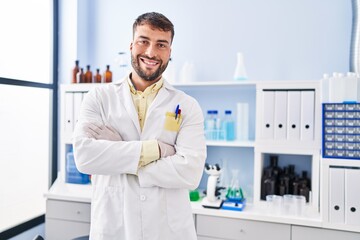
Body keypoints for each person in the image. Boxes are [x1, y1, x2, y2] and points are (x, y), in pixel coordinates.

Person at [73, 12, 207, 240]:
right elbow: (85, 157)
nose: (151, 52)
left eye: (161, 44)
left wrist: (120, 151)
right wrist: (157, 150)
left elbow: (190, 172)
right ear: (131, 45)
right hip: (114, 227)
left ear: (170, 52)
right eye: (143, 41)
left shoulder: (186, 105)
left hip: (167, 231)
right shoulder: (98, 97)